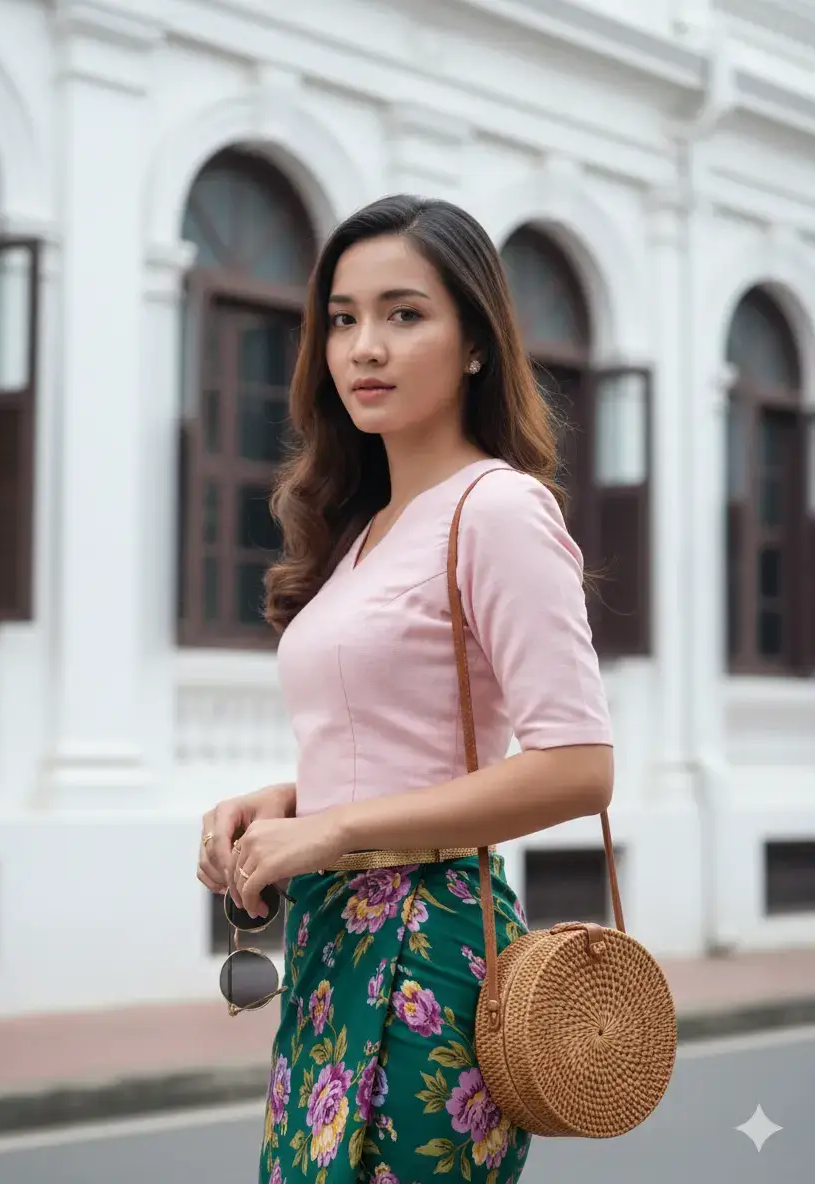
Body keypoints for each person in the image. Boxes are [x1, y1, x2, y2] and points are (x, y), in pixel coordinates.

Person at [196, 194, 614, 1183]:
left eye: (403, 313)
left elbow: (581, 764)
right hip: (328, 950)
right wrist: (286, 804)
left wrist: (333, 832)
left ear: (475, 341)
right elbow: (397, 740)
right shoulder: (363, 533)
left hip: (430, 949)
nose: (364, 347)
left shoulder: (499, 506)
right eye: (343, 318)